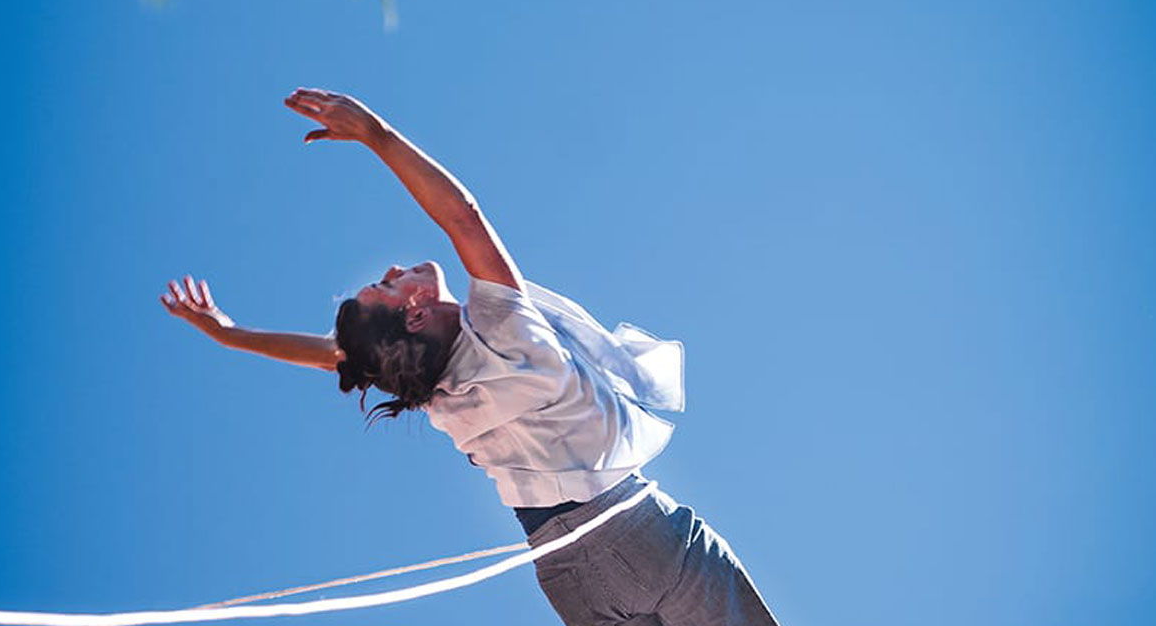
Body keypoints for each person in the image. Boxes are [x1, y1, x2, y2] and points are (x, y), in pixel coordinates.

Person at [160, 88, 781, 626]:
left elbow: (334, 358)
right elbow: (462, 217)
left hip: (564, 573)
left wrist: (229, 333)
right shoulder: (505, 329)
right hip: (640, 534)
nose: (395, 268)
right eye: (388, 283)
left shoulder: (438, 392)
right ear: (415, 312)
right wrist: (375, 134)